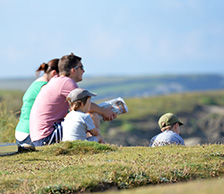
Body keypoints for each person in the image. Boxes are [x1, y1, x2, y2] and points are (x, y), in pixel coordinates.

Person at [30, 53, 116, 146]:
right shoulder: (67, 82)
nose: (83, 71)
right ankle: (90, 148)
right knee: (91, 115)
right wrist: (104, 112)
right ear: (73, 70)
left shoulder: (56, 80)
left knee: (84, 117)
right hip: (47, 137)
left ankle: (87, 145)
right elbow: (84, 105)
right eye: (81, 67)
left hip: (40, 136)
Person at [15, 58, 59, 149]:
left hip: (21, 132)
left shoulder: (36, 84)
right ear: (54, 73)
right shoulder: (45, 87)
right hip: (31, 134)